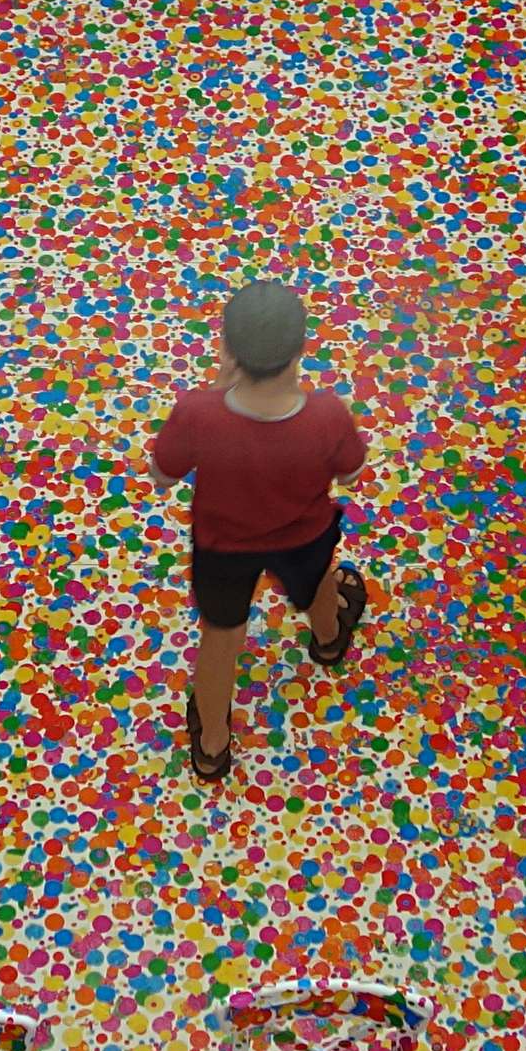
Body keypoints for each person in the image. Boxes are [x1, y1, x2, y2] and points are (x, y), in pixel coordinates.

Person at [150, 281, 372, 784]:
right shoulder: (327, 415)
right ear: (300, 350)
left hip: (223, 547)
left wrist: (213, 391)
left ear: (228, 349)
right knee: (319, 584)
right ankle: (330, 640)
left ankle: (211, 746)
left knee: (221, 636)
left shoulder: (197, 413)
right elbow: (350, 475)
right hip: (304, 535)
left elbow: (163, 475)